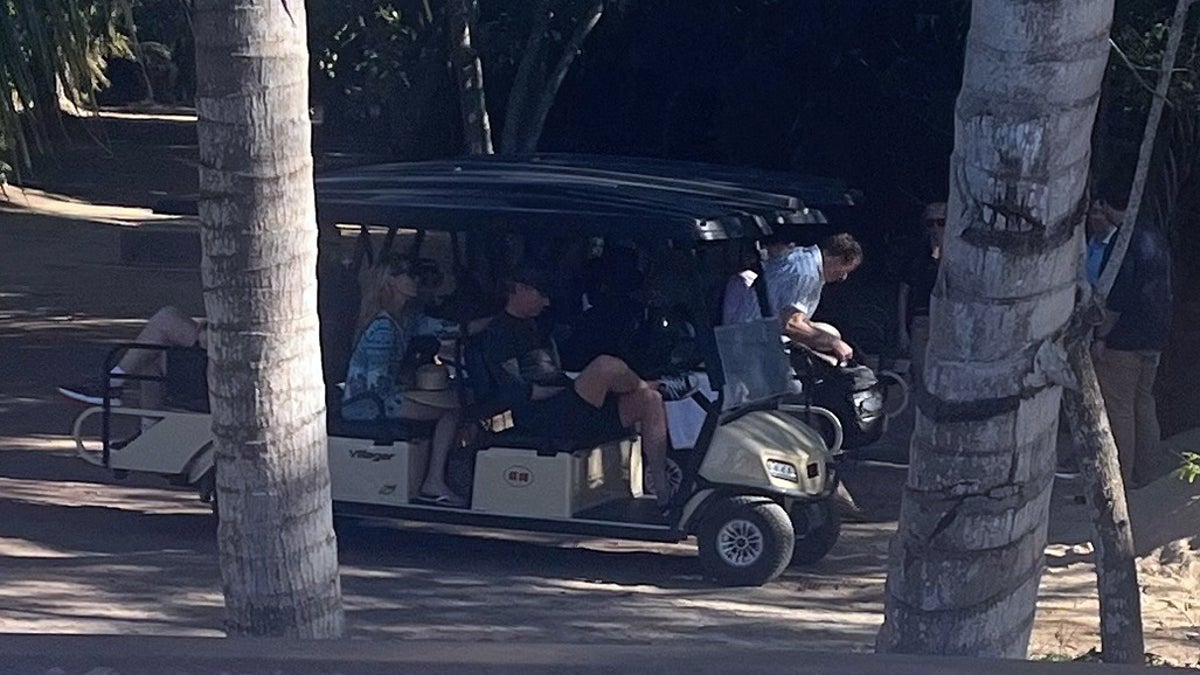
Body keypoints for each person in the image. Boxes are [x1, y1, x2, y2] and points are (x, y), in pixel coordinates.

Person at [476, 267, 685, 510]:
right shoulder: (499, 333)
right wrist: (563, 387)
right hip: (541, 414)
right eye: (540, 294)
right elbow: (516, 391)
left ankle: (663, 492)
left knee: (650, 400)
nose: (545, 302)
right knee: (605, 365)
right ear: (518, 290)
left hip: (570, 407)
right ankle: (655, 383)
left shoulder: (538, 326)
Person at [342, 253, 466, 506]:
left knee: (452, 405)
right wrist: (415, 391)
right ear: (392, 281)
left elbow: (447, 328)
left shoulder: (406, 321)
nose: (415, 280)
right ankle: (434, 481)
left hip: (384, 396)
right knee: (450, 413)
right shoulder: (382, 328)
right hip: (367, 403)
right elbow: (378, 384)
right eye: (409, 275)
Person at [1088, 198, 1173, 487]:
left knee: (1119, 408)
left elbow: (1118, 297)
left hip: (1124, 340)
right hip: (1154, 336)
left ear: (1108, 205)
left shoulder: (1124, 241)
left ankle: (1118, 479)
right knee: (1143, 403)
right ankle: (1148, 475)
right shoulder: (1153, 235)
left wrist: (1101, 336)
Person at [723, 232, 863, 362]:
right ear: (837, 258)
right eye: (844, 270)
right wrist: (834, 343)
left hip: (752, 332)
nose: (843, 277)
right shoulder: (806, 274)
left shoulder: (802, 257)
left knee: (830, 332)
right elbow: (790, 324)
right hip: (752, 344)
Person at [58, 305, 207, 408]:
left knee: (166, 318)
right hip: (210, 364)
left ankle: (112, 383)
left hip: (215, 370)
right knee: (149, 352)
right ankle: (148, 432)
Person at [897, 202, 946, 385]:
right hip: (922, 318)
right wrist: (903, 330)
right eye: (930, 223)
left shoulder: (959, 253)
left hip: (948, 319)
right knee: (920, 371)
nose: (935, 228)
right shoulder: (917, 253)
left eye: (941, 222)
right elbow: (904, 291)